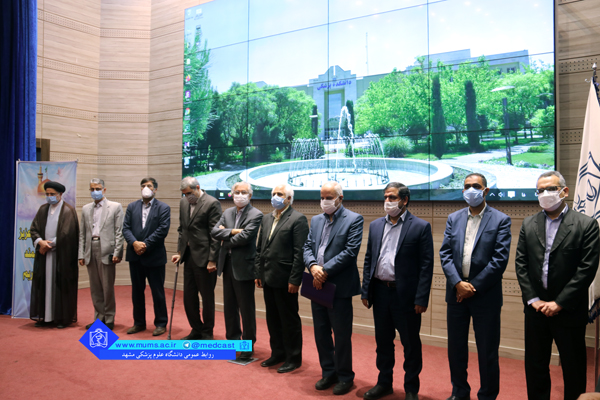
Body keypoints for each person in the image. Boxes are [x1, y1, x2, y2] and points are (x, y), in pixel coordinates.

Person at [515, 171, 600, 400]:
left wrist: (559, 303)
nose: (545, 194)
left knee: (574, 370)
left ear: (564, 191)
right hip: (536, 311)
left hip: (568, 311)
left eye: (550, 189)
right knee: (536, 368)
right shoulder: (528, 223)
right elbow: (521, 264)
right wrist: (534, 300)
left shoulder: (586, 225)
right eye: (540, 190)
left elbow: (586, 269)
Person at [440, 173, 511, 400]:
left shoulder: (501, 220)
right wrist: (458, 283)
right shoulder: (453, 218)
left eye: (476, 186)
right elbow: (445, 254)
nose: (471, 190)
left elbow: (499, 260)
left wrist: (472, 287)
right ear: (463, 191)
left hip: (485, 295)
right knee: (456, 348)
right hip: (456, 294)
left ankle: (487, 396)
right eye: (467, 186)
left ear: (486, 190)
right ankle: (459, 392)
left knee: (487, 350)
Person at [361, 182, 434, 400]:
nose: (387, 201)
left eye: (392, 197)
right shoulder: (376, 225)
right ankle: (384, 383)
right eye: (385, 197)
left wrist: (421, 298)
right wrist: (366, 291)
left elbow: (426, 266)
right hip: (380, 292)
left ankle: (411, 389)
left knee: (410, 344)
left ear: (404, 200)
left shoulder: (420, 226)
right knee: (383, 342)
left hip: (407, 297)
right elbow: (368, 259)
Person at [303, 181, 364, 395]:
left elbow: (350, 252)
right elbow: (307, 247)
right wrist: (313, 267)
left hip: (338, 286)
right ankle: (328, 372)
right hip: (316, 285)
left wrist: (323, 271)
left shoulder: (354, 219)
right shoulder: (316, 220)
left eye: (329, 198)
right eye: (322, 197)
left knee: (341, 335)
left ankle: (345, 376)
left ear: (340, 198)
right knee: (321, 333)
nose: (324, 201)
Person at [255, 184, 309, 373]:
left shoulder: (298, 219)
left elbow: (300, 252)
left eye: (280, 194)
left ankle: (293, 358)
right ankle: (277, 353)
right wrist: (258, 273)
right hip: (267, 276)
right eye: (273, 194)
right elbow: (259, 249)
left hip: (286, 279)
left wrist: (295, 280)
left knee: (289, 320)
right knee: (273, 318)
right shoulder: (266, 218)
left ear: (289, 199)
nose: (275, 197)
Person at [211, 181, 263, 360]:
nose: (240, 195)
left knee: (246, 309)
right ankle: (233, 342)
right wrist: (233, 231)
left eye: (243, 192)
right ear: (232, 194)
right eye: (237, 192)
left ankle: (247, 346)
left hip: (244, 267)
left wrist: (225, 237)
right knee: (230, 307)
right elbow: (214, 231)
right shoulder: (227, 212)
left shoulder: (256, 214)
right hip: (227, 265)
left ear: (250, 195)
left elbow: (246, 237)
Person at [172, 177, 222, 340]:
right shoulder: (183, 203)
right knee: (189, 297)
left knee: (207, 298)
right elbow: (182, 230)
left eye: (189, 193)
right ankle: (196, 329)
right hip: (188, 257)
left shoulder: (212, 203)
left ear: (197, 187)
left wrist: (212, 259)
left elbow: (215, 234)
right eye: (184, 194)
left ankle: (207, 332)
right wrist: (180, 252)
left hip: (205, 258)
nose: (187, 197)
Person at [122, 177, 171, 336]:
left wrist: (144, 245)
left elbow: (162, 230)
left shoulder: (163, 207)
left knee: (157, 292)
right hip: (135, 256)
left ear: (155, 189)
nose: (145, 188)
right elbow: (126, 228)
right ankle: (139, 323)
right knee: (137, 292)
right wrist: (134, 243)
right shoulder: (132, 206)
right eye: (143, 185)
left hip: (154, 256)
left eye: (149, 186)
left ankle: (161, 323)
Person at [30, 181, 80, 328]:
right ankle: (45, 317)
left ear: (60, 194)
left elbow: (68, 234)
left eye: (52, 194)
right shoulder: (43, 209)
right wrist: (40, 242)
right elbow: (33, 229)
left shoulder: (68, 211)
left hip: (60, 256)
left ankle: (61, 318)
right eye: (47, 194)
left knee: (59, 285)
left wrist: (49, 245)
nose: (49, 196)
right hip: (44, 254)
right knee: (44, 285)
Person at [78, 178, 124, 330]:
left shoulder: (115, 207)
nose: (95, 192)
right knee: (95, 287)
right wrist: (81, 254)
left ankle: (109, 318)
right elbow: (82, 233)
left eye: (98, 189)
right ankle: (99, 318)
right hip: (90, 248)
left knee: (107, 287)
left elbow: (119, 232)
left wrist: (117, 252)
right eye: (92, 189)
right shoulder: (86, 209)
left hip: (107, 250)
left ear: (104, 190)